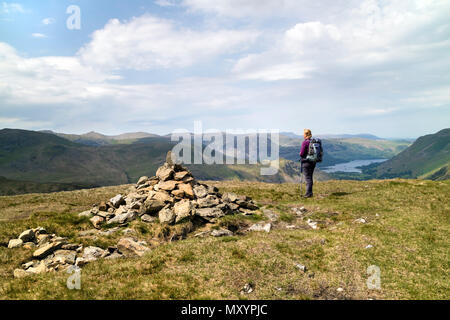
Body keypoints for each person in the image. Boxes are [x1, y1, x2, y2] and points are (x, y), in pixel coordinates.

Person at [299, 129, 315, 198]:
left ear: (306, 134)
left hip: (306, 162)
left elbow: (302, 153)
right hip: (313, 161)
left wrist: (300, 153)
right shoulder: (313, 142)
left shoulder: (305, 142)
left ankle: (308, 194)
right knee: (310, 177)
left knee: (308, 178)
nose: (303, 135)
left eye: (303, 134)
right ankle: (310, 193)